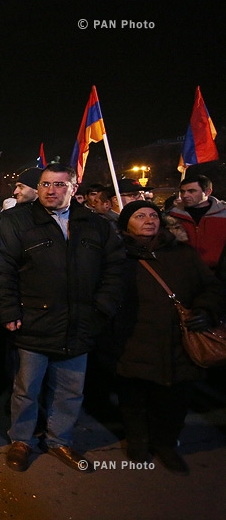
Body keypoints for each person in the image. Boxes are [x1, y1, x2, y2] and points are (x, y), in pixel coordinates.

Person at [0, 163, 126, 474]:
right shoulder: (16, 221)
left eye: (60, 185)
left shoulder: (96, 225)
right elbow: (3, 270)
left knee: (70, 388)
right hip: (33, 320)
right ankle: (21, 440)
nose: (52, 190)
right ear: (37, 188)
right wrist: (8, 310)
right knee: (26, 387)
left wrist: (101, 307)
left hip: (80, 322)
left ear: (73, 188)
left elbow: (115, 269)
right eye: (46, 184)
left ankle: (58, 439)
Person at [109, 201, 225, 474]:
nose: (149, 220)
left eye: (153, 215)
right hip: (134, 340)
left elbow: (212, 288)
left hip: (179, 342)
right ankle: (137, 440)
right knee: (134, 396)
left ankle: (165, 444)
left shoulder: (182, 253)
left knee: (174, 399)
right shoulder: (117, 257)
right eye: (140, 216)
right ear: (126, 224)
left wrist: (206, 310)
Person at [166, 174, 226, 270]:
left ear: (207, 192)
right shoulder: (172, 216)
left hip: (218, 274)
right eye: (182, 191)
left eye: (191, 191)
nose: (185, 195)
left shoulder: (223, 215)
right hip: (183, 272)